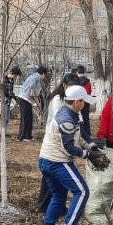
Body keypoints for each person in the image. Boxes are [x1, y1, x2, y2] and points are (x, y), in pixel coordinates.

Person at [37, 85, 101, 225]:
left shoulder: (71, 113)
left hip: (47, 160)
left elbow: (80, 134)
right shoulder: (66, 119)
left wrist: (91, 146)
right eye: (83, 101)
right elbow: (69, 148)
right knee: (82, 191)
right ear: (77, 102)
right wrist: (87, 155)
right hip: (56, 161)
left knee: (59, 195)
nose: (85, 104)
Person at [37, 73, 82, 215]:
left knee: (57, 181)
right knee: (51, 177)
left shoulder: (72, 100)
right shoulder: (58, 100)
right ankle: (44, 206)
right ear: (64, 86)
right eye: (70, 87)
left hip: (63, 138)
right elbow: (64, 119)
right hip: (54, 139)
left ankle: (57, 207)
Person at [16, 66, 48, 141]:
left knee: (29, 118)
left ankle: (28, 136)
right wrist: (37, 103)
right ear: (43, 73)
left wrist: (37, 103)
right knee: (25, 118)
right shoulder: (35, 78)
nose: (45, 77)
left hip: (27, 100)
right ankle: (22, 137)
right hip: (24, 99)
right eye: (45, 75)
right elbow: (32, 93)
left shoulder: (35, 77)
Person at [72, 66, 93, 134]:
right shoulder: (88, 82)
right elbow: (89, 92)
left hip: (77, 102)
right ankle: (88, 133)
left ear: (77, 72)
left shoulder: (76, 82)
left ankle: (80, 133)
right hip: (86, 101)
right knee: (86, 118)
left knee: (77, 118)